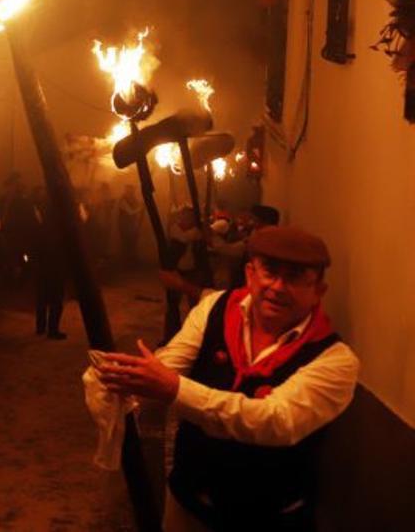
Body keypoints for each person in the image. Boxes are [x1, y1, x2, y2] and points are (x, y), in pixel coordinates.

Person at [94, 226, 359, 530]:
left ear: (318, 291)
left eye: (296, 277)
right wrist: (123, 377)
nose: (278, 286)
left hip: (270, 519)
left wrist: (173, 388)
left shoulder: (335, 360)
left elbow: (275, 421)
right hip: (188, 502)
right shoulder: (215, 308)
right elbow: (171, 364)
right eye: (269, 271)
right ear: (250, 273)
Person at [31, 186, 67, 340]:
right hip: (55, 265)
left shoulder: (41, 223)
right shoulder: (59, 226)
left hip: (43, 265)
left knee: (42, 297)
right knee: (56, 299)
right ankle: (52, 330)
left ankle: (40, 327)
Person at [115, 183, 142, 268]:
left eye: (132, 190)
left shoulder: (133, 199)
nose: (131, 192)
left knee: (132, 243)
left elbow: (135, 211)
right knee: (126, 243)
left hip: (132, 225)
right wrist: (140, 208)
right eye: (129, 190)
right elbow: (130, 212)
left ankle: (132, 262)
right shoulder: (122, 200)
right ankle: (126, 263)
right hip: (124, 225)